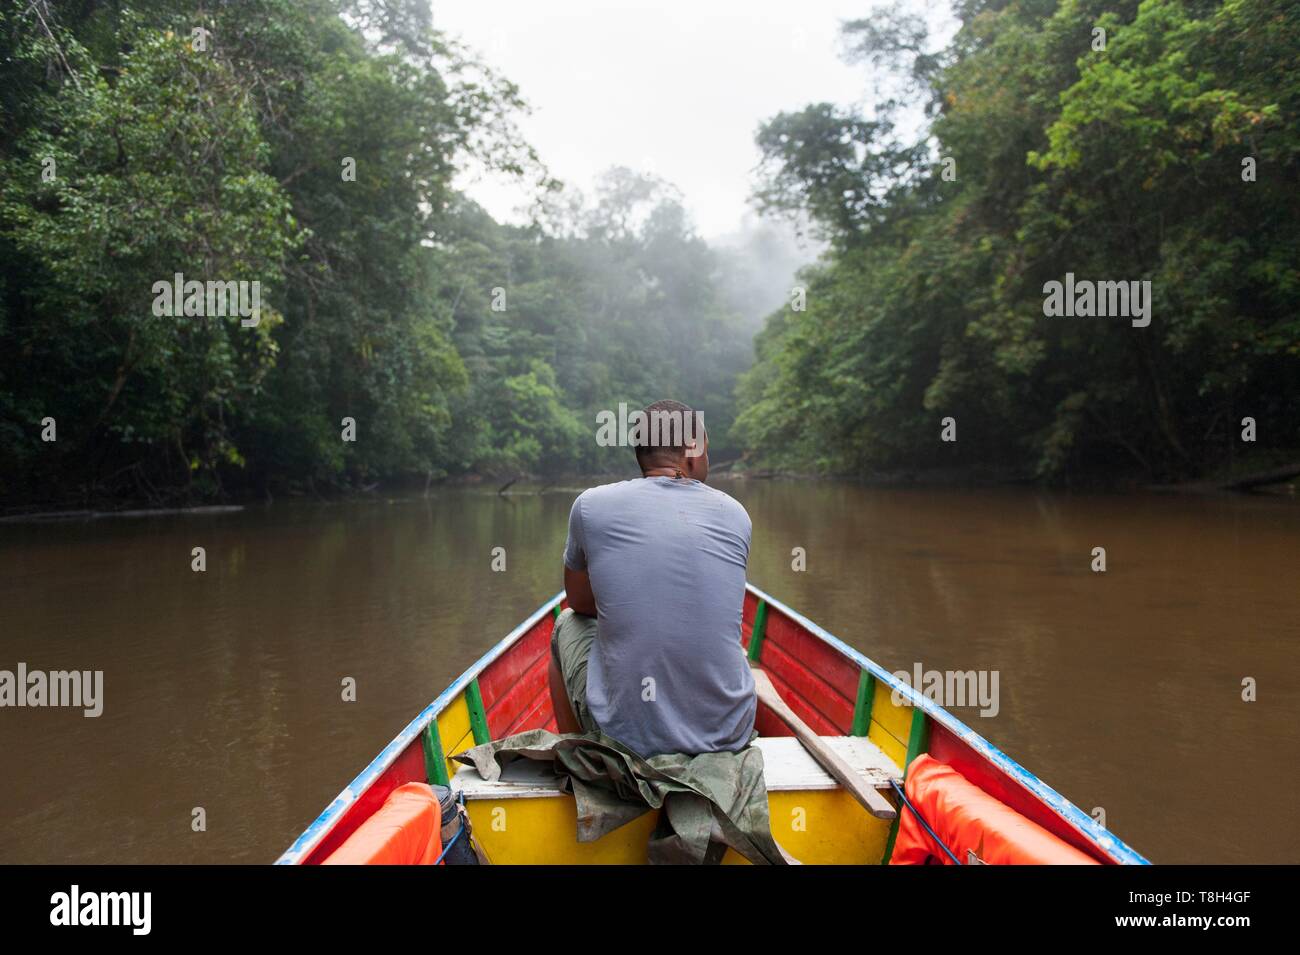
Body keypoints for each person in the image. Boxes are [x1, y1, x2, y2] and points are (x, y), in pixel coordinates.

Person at [549, 398, 757, 758]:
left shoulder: (590, 507)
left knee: (565, 624)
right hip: (727, 735)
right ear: (694, 450)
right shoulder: (735, 514)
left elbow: (581, 605)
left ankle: (580, 758)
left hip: (627, 739)